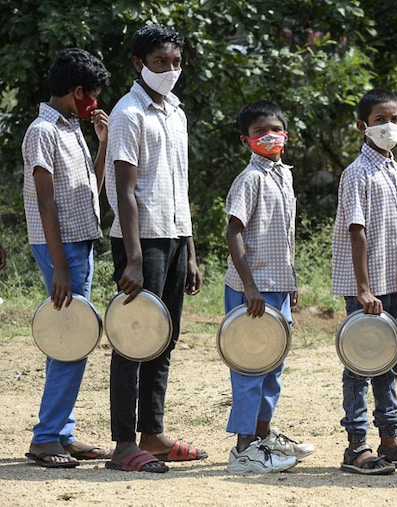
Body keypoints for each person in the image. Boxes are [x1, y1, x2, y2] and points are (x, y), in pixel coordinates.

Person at [104, 24, 206, 473]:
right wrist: (135, 258)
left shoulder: (176, 112)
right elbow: (124, 191)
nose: (169, 70)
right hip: (139, 241)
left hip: (173, 234)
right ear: (138, 64)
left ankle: (153, 432)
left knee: (164, 338)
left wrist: (191, 247)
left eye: (176, 62)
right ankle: (125, 443)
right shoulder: (128, 113)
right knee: (133, 340)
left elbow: (178, 185)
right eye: (160, 62)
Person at [332, 88, 397, 475]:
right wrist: (362, 289)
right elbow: (356, 230)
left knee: (389, 362)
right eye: (380, 120)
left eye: (395, 119)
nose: (389, 126)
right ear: (363, 126)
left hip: (391, 285)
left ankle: (390, 441)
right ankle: (356, 446)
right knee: (360, 365)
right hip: (366, 289)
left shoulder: (395, 169)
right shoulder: (356, 173)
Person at [21, 48, 112, 468]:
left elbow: (86, 190)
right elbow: (46, 204)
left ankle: (62, 432)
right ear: (76, 91)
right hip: (62, 249)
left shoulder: (71, 127)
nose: (94, 103)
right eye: (91, 95)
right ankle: (45, 438)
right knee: (70, 337)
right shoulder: (43, 130)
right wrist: (59, 266)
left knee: (74, 336)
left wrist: (104, 146)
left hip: (78, 242)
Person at [224, 100, 314, 474]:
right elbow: (234, 232)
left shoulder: (284, 175)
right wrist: (250, 287)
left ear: (286, 136)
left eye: (274, 129)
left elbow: (285, 236)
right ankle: (244, 448)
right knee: (250, 367)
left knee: (273, 366)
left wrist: (291, 283)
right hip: (252, 290)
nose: (268, 136)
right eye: (260, 131)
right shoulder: (250, 179)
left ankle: (263, 437)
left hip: (278, 286)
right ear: (247, 140)